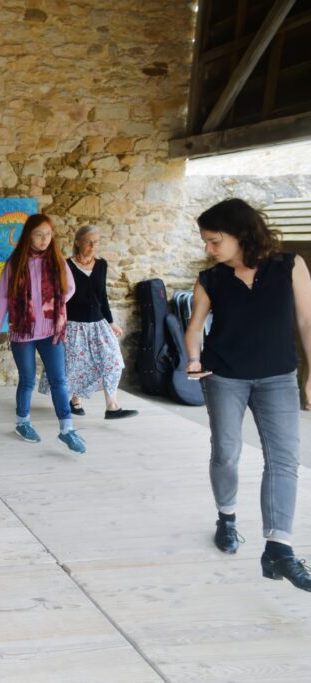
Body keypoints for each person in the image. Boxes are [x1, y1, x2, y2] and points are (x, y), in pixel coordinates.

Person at [185, 198, 311, 592]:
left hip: (278, 377)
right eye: (206, 241)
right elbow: (194, 328)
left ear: (241, 234)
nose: (208, 248)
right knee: (226, 451)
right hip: (224, 377)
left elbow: (307, 320)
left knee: (284, 459)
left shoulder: (290, 266)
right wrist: (192, 359)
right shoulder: (211, 279)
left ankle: (279, 548)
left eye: (214, 240)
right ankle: (227, 517)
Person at [0, 213, 85, 453]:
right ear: (28, 235)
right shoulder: (15, 263)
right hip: (23, 333)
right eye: (39, 234)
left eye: (48, 235)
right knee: (28, 380)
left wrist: (55, 305)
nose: (44, 240)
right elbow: (1, 299)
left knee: (59, 380)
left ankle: (66, 429)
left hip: (51, 332)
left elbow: (70, 288)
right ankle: (22, 422)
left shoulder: (57, 261)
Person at [39, 225, 137, 419]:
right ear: (77, 242)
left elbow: (102, 296)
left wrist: (110, 322)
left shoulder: (101, 265)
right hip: (73, 325)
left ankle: (112, 407)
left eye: (97, 242)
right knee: (76, 366)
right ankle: (75, 402)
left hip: (98, 323)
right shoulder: (65, 265)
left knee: (113, 361)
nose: (93, 246)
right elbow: (58, 297)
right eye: (88, 242)